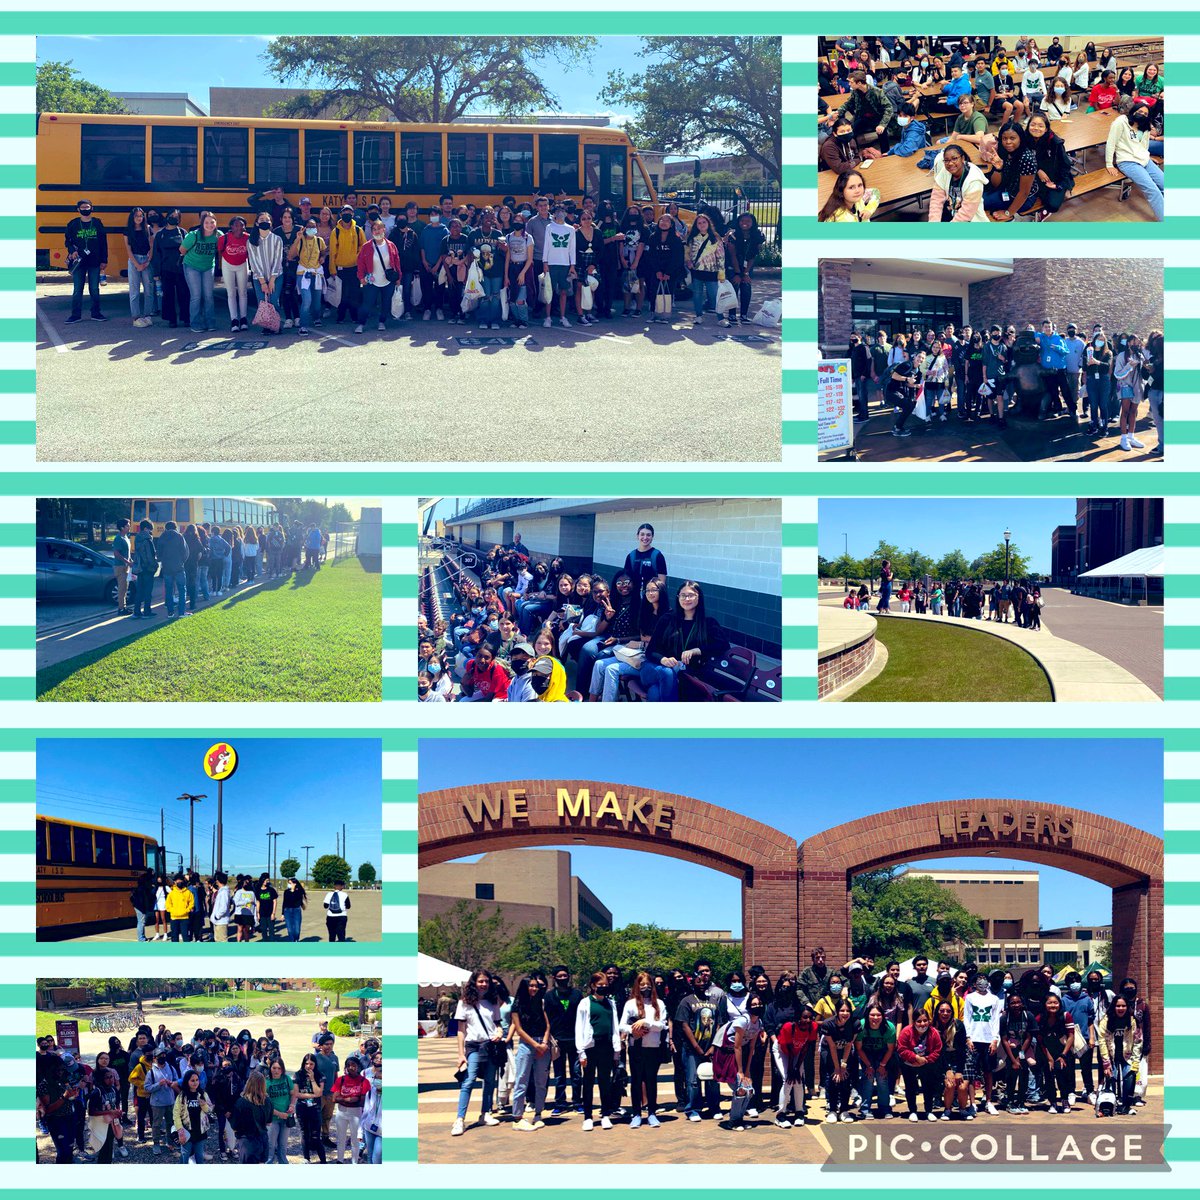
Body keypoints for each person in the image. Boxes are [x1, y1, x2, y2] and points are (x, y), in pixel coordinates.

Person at [641, 581, 730, 702]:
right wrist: (664, 660)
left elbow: (723, 645)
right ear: (678, 598)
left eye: (691, 595)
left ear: (699, 597)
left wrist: (696, 651)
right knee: (667, 673)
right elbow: (650, 651)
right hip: (656, 668)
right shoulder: (667, 619)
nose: (686, 599)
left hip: (685, 675)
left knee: (655, 693)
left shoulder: (708, 623)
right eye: (683, 595)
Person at [452, 970, 503, 1137]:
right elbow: (460, 1030)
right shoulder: (465, 1002)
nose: (484, 984)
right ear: (474, 982)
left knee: (489, 1081)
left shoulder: (493, 1001)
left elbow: (498, 1024)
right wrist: (461, 1054)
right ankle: (460, 1119)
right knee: (469, 1080)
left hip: (490, 1045)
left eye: (486, 981)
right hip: (473, 1046)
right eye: (481, 981)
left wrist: (500, 1033)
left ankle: (485, 1113)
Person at [619, 971, 667, 1128]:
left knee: (651, 1080)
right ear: (637, 986)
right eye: (642, 984)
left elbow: (662, 1025)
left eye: (648, 984)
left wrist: (646, 1023)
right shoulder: (630, 1004)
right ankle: (637, 1114)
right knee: (637, 1081)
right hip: (636, 1047)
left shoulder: (659, 1004)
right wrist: (635, 1029)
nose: (645, 987)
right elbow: (622, 1026)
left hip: (653, 1047)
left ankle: (652, 1113)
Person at [1107, 102, 1164, 222]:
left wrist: (1147, 156)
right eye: (1140, 112)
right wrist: (1109, 164)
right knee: (1152, 190)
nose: (1142, 115)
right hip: (1127, 161)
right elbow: (1111, 142)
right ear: (1133, 111)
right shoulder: (1121, 121)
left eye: (1145, 114)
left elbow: (1144, 145)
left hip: (1144, 159)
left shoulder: (1145, 125)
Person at [508, 974, 552, 1131]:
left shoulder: (541, 1002)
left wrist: (544, 1043)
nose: (534, 988)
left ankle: (538, 1114)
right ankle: (517, 1117)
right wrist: (535, 1045)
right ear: (524, 987)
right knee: (522, 1080)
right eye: (531, 985)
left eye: (536, 986)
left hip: (543, 1043)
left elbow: (547, 1025)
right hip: (526, 1044)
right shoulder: (517, 1005)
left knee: (541, 1081)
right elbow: (519, 1030)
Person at [982, 121, 1040, 219]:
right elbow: (996, 184)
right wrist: (998, 169)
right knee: (976, 195)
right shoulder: (1004, 151)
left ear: (1020, 138)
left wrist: (1008, 213)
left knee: (978, 202)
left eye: (1012, 138)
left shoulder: (1026, 158)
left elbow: (1024, 193)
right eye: (1004, 138)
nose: (1008, 142)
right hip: (1007, 189)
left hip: (1023, 199)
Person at [64, 198, 109, 324]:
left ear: (92, 208)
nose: (85, 209)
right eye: (82, 207)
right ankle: (75, 315)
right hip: (79, 262)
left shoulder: (97, 223)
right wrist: (72, 250)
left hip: (94, 261)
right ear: (78, 209)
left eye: (87, 207)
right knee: (78, 289)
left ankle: (96, 313)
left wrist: (104, 259)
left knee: (94, 288)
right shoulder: (73, 224)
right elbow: (68, 241)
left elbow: (103, 242)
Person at [855, 1003, 896, 1118]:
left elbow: (890, 1049)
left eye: (878, 1015)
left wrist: (882, 1065)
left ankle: (884, 1108)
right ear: (867, 1016)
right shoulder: (861, 1026)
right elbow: (858, 1048)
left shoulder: (889, 1027)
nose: (875, 1018)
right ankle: (865, 1109)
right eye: (872, 1015)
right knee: (868, 1078)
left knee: (882, 1079)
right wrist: (868, 1066)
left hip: (882, 1054)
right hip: (865, 1053)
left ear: (883, 1016)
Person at [180, 213, 219, 333]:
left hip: (208, 267)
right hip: (192, 266)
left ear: (216, 223)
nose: (209, 225)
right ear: (202, 223)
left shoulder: (218, 236)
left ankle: (210, 323)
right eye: (206, 222)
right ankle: (195, 324)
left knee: (208, 296)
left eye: (212, 222)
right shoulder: (193, 235)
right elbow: (182, 249)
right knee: (196, 296)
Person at [684, 213, 725, 325]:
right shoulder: (692, 237)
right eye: (699, 223)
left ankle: (721, 318)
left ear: (708, 223)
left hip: (711, 271)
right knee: (697, 294)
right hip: (696, 271)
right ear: (696, 225)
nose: (702, 225)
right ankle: (698, 315)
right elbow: (687, 251)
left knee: (714, 295)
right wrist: (688, 261)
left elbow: (721, 256)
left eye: (704, 222)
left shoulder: (715, 237)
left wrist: (721, 273)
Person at [247, 213, 283, 332]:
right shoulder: (251, 241)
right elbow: (253, 262)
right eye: (262, 220)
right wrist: (263, 282)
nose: (264, 222)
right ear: (257, 223)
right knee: (262, 301)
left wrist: (272, 280)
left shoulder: (277, 239)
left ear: (271, 223)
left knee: (273, 300)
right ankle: (266, 326)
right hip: (259, 278)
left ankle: (276, 325)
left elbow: (278, 260)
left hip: (276, 276)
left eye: (267, 220)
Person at [329, 204, 365, 323]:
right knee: (342, 294)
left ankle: (354, 316)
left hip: (355, 267)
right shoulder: (336, 231)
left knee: (354, 293)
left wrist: (358, 258)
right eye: (344, 212)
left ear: (353, 214)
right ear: (340, 214)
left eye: (349, 213)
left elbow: (363, 247)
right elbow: (333, 251)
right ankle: (341, 316)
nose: (347, 215)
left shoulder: (358, 230)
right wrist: (332, 270)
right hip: (341, 268)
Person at [1114, 332, 1148, 451]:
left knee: (1134, 412)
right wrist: (1129, 366)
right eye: (1133, 341)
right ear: (1128, 343)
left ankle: (1131, 436)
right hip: (1126, 387)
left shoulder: (1140, 356)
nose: (1136, 343)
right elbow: (1117, 375)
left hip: (1137, 387)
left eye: (1137, 341)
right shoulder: (1121, 356)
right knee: (1125, 412)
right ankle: (1123, 438)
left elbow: (1144, 374)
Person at [232, 1069, 272, 1162]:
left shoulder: (241, 1103)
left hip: (247, 1142)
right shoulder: (268, 1101)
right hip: (263, 1140)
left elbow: (235, 1125)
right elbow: (269, 1122)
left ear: (248, 1083)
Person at [1085, 327, 1114, 436]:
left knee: (1103, 404)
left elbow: (1107, 367)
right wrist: (1087, 364)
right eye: (1098, 339)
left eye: (1102, 340)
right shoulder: (1089, 349)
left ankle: (1104, 426)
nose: (1100, 342)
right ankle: (1094, 425)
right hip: (1092, 380)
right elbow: (1084, 366)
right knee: (1093, 404)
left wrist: (1097, 362)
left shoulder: (1108, 353)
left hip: (1103, 380)